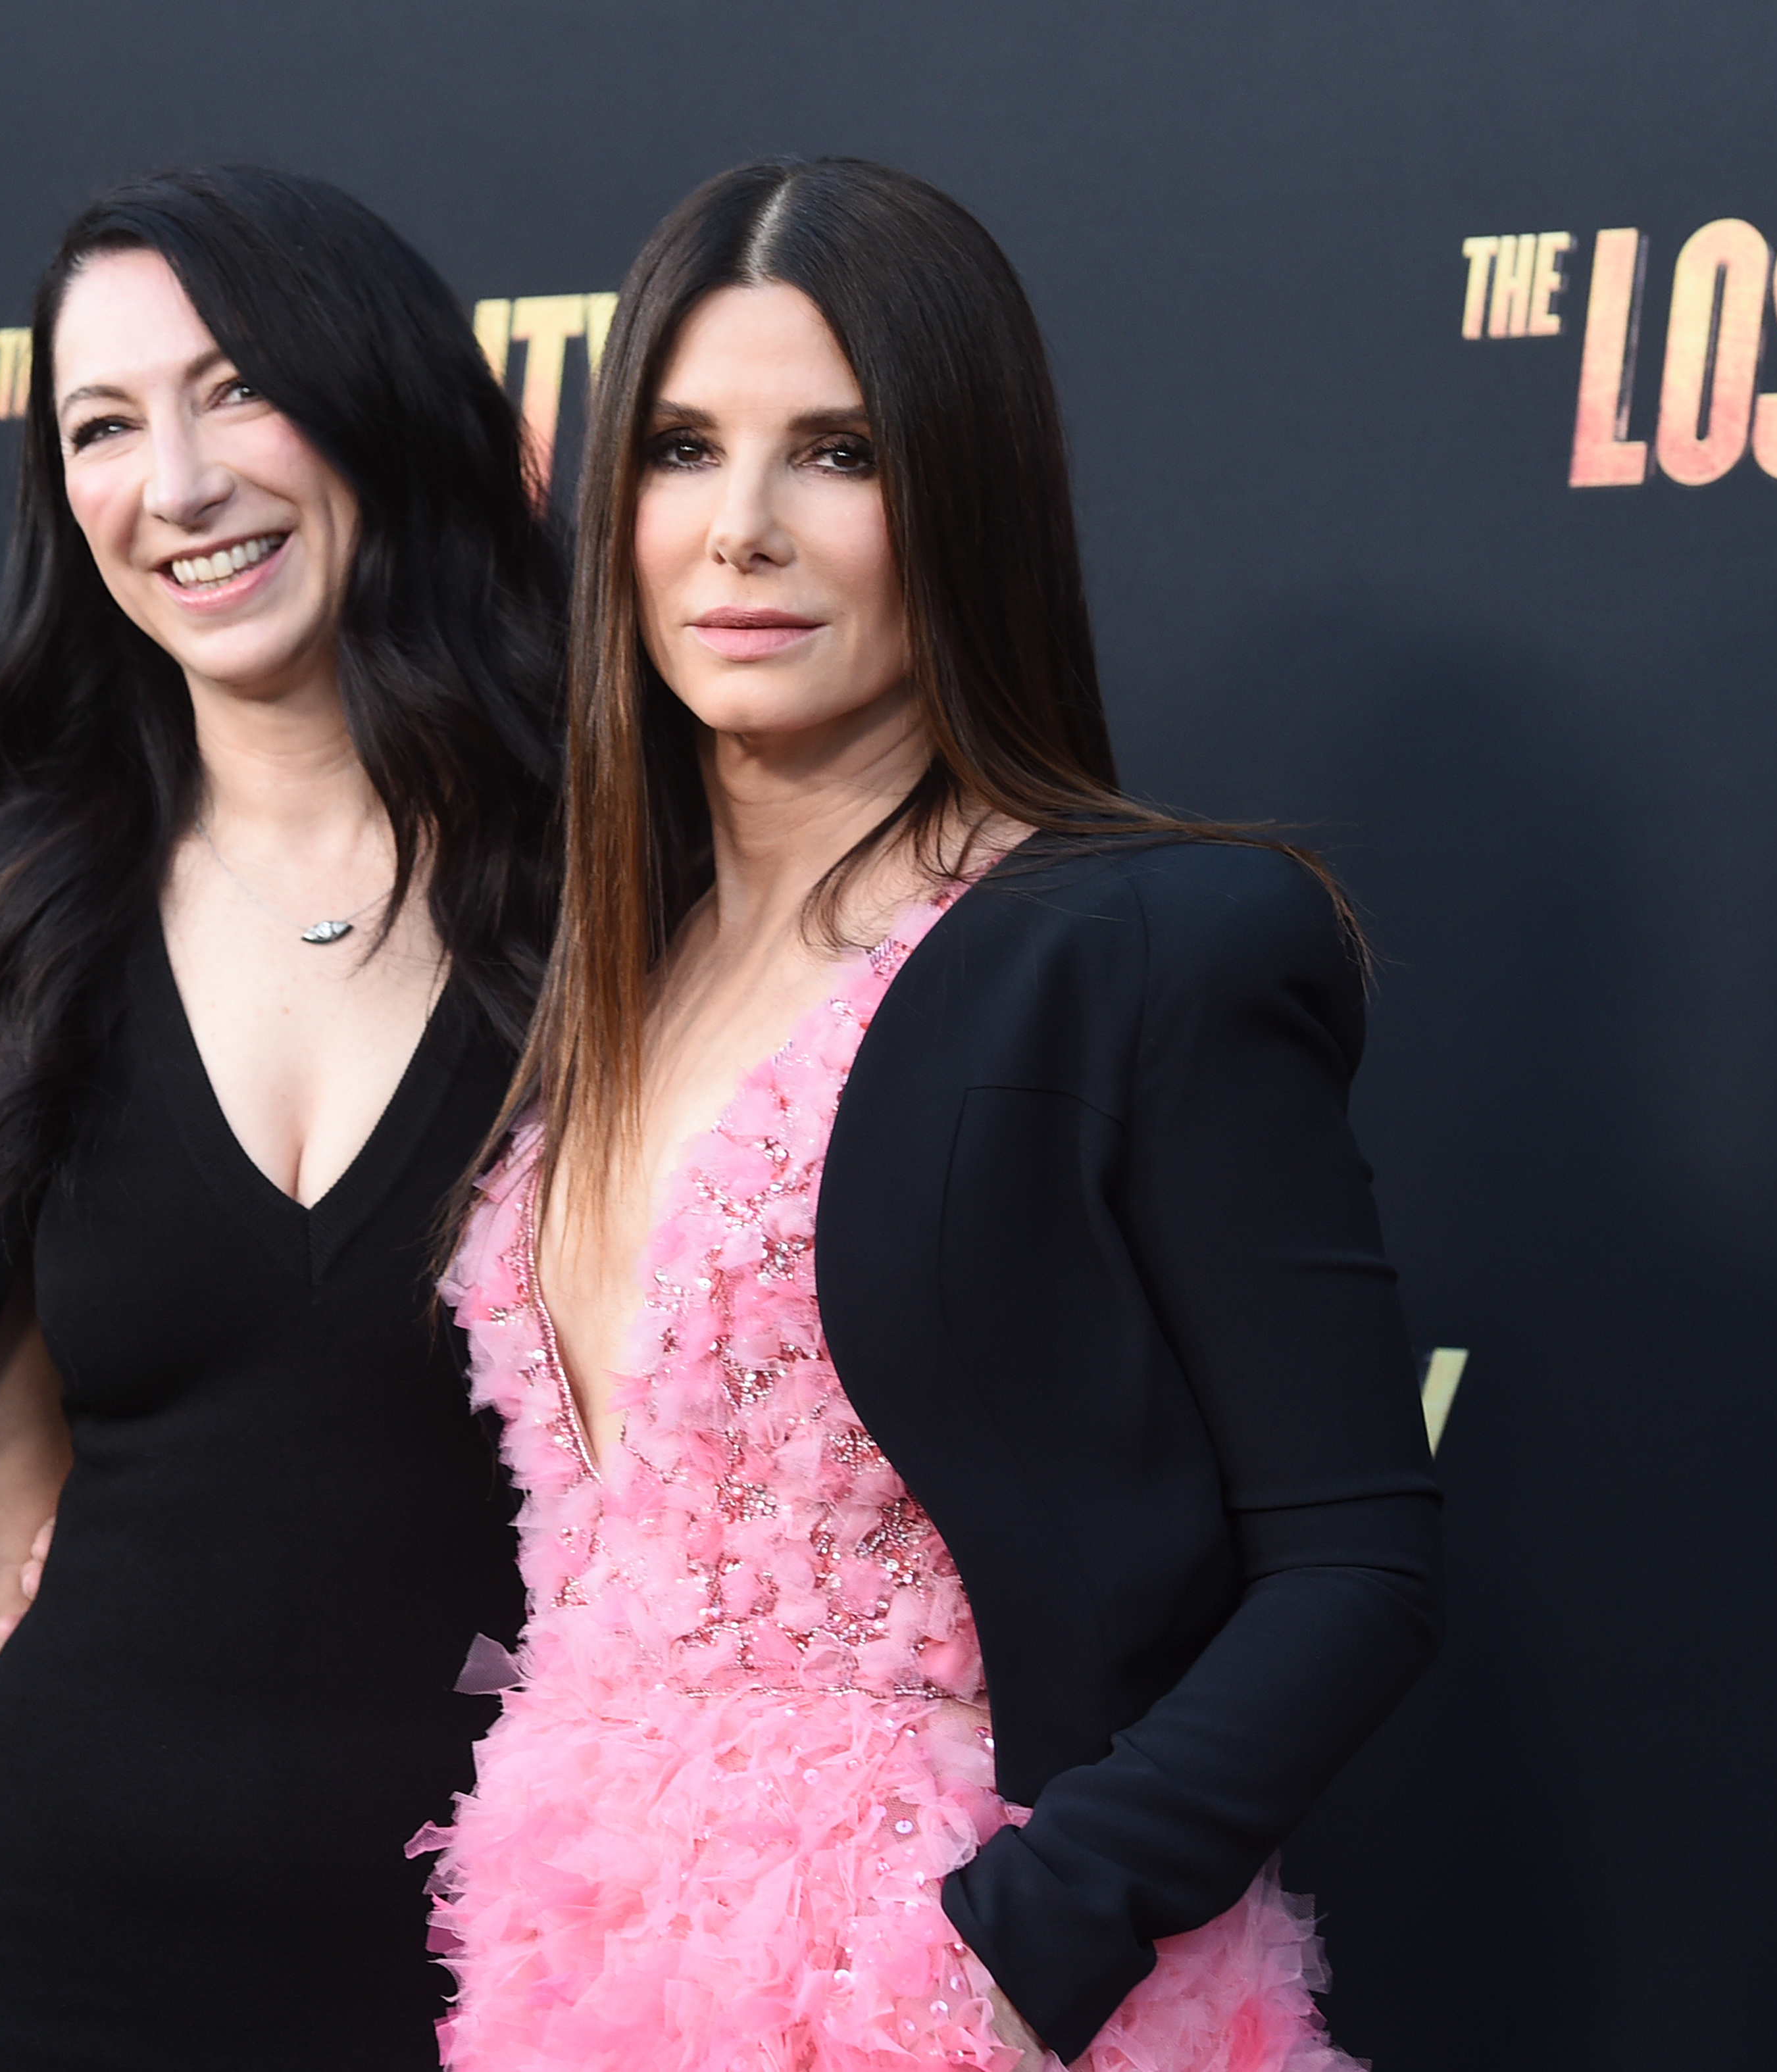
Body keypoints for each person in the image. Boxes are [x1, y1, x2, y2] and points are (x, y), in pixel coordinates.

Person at [414, 159, 1443, 2072]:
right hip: (590, 1959)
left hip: (963, 1990)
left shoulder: (1142, 946)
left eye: (836, 455)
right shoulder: (578, 975)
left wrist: (1023, 1940)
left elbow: (1355, 1566)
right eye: (676, 451)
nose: (737, 532)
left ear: (960, 498)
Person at [0, 165, 561, 2071]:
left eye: (234, 392)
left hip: (516, 1972)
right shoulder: (11, 934)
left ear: (376, 401)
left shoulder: (623, 904)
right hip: (59, 1962)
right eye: (102, 428)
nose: (178, 485)